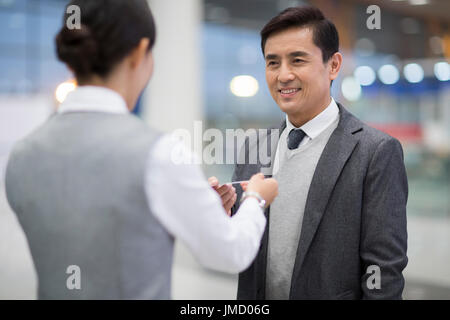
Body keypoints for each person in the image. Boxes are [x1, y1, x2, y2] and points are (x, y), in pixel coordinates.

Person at [4, 0, 278, 299]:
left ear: (71, 60)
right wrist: (254, 199)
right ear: (139, 52)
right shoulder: (159, 154)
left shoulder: (21, 155)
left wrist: (191, 203)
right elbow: (230, 253)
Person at [231, 6, 408, 300]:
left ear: (334, 65)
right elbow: (242, 243)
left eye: (297, 60)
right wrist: (224, 213)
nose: (283, 75)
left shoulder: (375, 152)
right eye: (272, 63)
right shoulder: (254, 146)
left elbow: (384, 272)